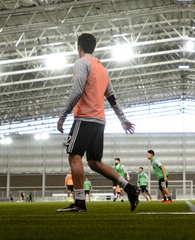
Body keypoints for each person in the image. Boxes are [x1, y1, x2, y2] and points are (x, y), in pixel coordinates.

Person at [56, 33, 138, 213]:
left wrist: (63, 115)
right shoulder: (101, 68)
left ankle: (79, 203)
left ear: (79, 47)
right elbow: (112, 97)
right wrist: (123, 120)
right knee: (94, 162)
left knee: (74, 155)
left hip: (84, 118)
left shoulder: (81, 63)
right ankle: (129, 188)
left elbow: (77, 91)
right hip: (100, 121)